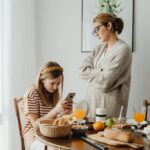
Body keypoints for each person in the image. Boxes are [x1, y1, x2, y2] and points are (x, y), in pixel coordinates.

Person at [80, 13, 132, 118]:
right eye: (94, 31)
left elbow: (105, 82)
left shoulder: (123, 50)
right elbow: (82, 71)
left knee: (107, 133)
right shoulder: (98, 48)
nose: (96, 34)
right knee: (89, 133)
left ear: (109, 26)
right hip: (91, 103)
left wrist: (94, 72)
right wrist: (101, 71)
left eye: (97, 29)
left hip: (109, 106)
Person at [22, 61, 72, 150]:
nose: (56, 87)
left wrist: (64, 113)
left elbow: (52, 119)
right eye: (52, 83)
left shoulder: (52, 92)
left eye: (58, 83)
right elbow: (35, 125)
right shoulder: (32, 93)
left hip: (49, 131)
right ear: (42, 80)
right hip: (34, 134)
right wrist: (55, 110)